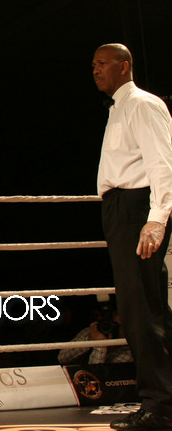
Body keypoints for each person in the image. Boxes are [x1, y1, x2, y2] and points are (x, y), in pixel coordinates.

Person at [92, 43, 172, 430]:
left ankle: (159, 406)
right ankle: (163, 399)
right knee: (144, 306)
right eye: (93, 64)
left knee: (141, 309)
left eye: (103, 63)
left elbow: (162, 163)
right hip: (122, 208)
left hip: (136, 208)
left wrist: (156, 218)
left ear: (124, 67)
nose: (95, 69)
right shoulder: (119, 108)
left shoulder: (142, 104)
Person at [58, 303, 133, 365]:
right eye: (113, 324)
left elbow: (96, 375)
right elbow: (62, 358)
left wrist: (100, 347)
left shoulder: (128, 353)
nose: (113, 329)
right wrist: (89, 341)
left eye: (119, 327)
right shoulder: (94, 330)